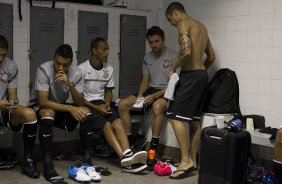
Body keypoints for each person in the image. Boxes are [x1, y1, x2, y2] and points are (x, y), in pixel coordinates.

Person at [29, 44, 100, 183]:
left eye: (65, 65)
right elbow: (43, 101)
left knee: (86, 112)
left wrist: (69, 84)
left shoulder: (76, 73)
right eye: (58, 63)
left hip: (59, 106)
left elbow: (80, 102)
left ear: (71, 62)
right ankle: (48, 165)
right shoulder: (44, 69)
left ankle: (87, 161)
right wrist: (70, 109)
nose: (61, 68)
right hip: (39, 106)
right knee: (48, 112)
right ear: (53, 59)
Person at [78, 37, 147, 173]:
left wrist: (107, 104)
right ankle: (126, 163)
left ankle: (127, 153)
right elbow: (79, 99)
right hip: (87, 105)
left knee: (118, 123)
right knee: (107, 126)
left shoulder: (109, 69)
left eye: (108, 49)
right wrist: (97, 108)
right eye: (104, 49)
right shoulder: (82, 69)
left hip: (102, 104)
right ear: (94, 50)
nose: (107, 52)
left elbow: (108, 91)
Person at [165, 2, 215, 179]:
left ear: (176, 13)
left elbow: (186, 51)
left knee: (174, 116)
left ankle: (184, 160)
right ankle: (193, 161)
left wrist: (174, 68)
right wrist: (200, 71)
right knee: (193, 121)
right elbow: (212, 56)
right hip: (201, 76)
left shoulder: (184, 23)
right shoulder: (202, 27)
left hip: (191, 76)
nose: (172, 24)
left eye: (171, 20)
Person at [118, 26, 177, 168]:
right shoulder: (147, 57)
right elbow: (145, 80)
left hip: (166, 92)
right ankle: (130, 141)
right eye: (151, 42)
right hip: (150, 89)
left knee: (157, 107)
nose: (154, 45)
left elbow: (173, 84)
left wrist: (154, 96)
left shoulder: (174, 56)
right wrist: (139, 96)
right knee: (123, 105)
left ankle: (153, 149)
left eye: (157, 41)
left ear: (163, 40)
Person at [0, 35, 39, 178]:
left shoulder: (11, 66)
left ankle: (27, 160)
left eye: (3, 54)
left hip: (3, 109)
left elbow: (12, 94)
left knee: (29, 114)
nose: (0, 58)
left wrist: (13, 102)